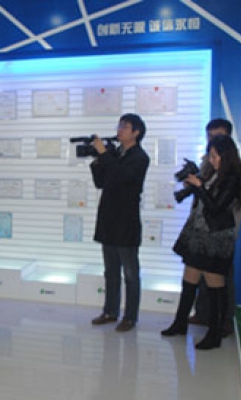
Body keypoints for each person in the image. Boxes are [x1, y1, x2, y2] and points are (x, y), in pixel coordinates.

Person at [162, 134, 241, 350]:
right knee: (189, 280)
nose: (212, 159)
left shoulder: (233, 177)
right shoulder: (214, 173)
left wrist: (199, 186)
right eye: (210, 155)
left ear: (226, 155)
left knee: (215, 284)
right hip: (198, 233)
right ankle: (180, 323)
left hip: (216, 237)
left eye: (215, 156)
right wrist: (196, 184)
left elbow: (216, 207)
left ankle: (215, 333)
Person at [188, 118, 241, 336]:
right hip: (202, 227)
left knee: (222, 275)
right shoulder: (207, 162)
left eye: (218, 136)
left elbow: (240, 200)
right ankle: (203, 313)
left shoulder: (239, 168)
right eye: (210, 136)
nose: (212, 141)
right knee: (199, 270)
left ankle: (225, 320)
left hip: (222, 230)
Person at [90, 113, 150, 332]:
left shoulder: (140, 157)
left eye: (125, 126)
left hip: (126, 223)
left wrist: (105, 155)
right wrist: (98, 158)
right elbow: (101, 182)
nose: (119, 129)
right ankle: (110, 311)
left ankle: (130, 317)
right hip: (109, 219)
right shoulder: (116, 153)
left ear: (136, 132)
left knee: (130, 274)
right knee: (110, 271)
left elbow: (122, 177)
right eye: (119, 125)